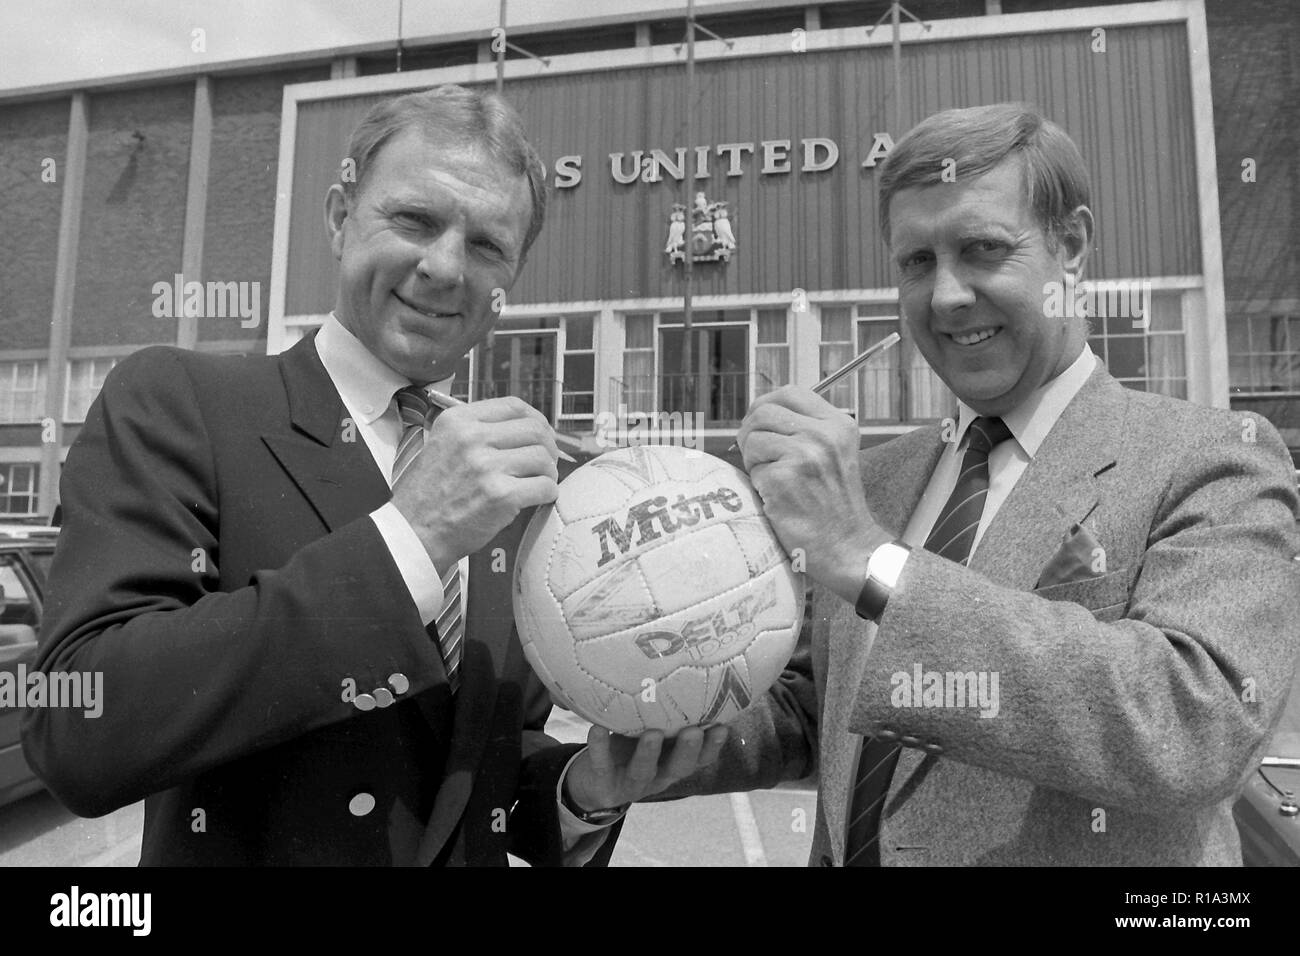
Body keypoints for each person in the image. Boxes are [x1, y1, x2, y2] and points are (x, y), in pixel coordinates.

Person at [21, 85, 725, 866]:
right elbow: (76, 726)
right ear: (338, 216)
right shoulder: (183, 404)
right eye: (415, 220)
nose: (445, 267)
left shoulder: (516, 496)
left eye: (489, 246)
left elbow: (478, 765)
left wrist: (581, 793)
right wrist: (409, 542)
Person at [657, 103, 1300, 866]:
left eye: (983, 250)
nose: (947, 296)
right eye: (917, 263)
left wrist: (869, 560)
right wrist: (660, 740)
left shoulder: (1214, 456)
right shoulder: (877, 480)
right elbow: (819, 707)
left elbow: (1194, 728)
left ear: (1072, 245)